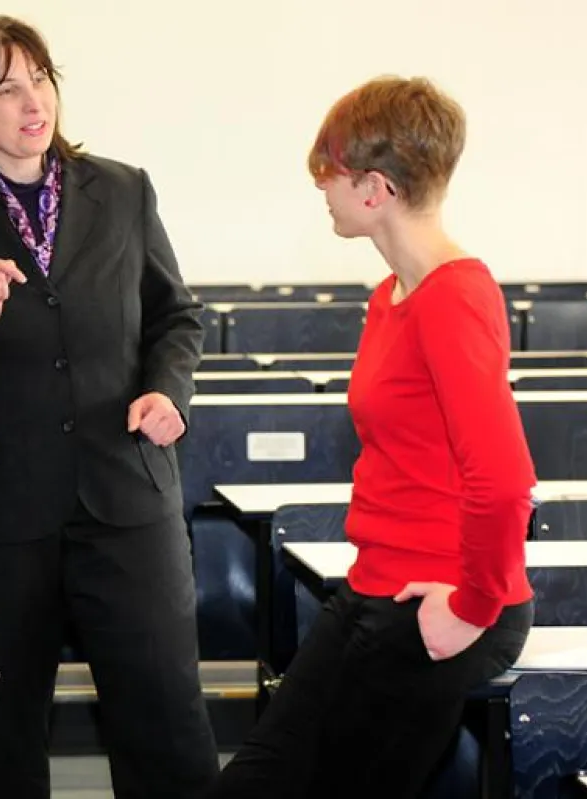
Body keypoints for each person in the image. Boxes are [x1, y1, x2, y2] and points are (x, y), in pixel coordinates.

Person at [0, 15, 219, 799]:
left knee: (165, 713)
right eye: (6, 88)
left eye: (42, 79)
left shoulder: (122, 190)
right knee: (8, 726)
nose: (33, 102)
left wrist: (168, 389)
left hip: (125, 493)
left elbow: (175, 317)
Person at [207, 77, 535, 799]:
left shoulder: (453, 298)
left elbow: (506, 479)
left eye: (329, 171)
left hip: (439, 605)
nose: (320, 187)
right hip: (374, 585)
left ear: (375, 188)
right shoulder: (391, 296)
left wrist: (472, 605)